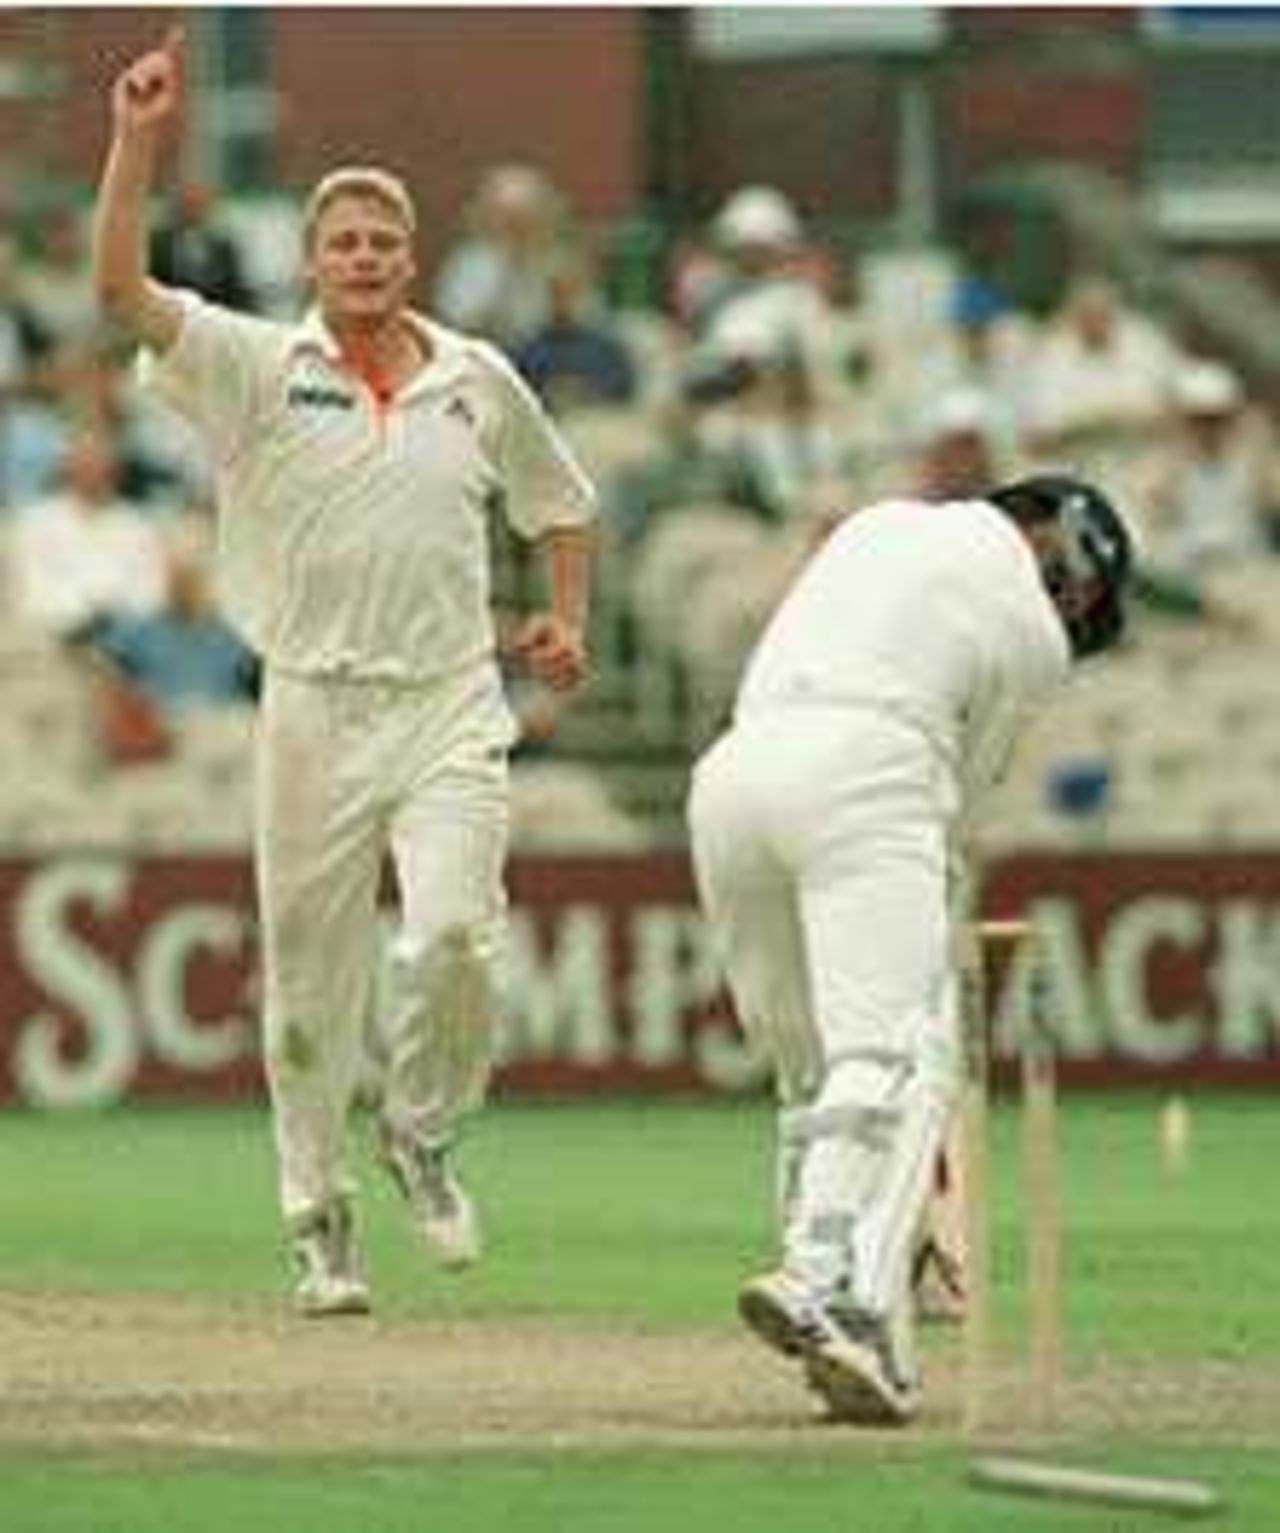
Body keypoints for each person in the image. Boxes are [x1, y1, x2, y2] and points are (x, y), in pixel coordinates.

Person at [92, 30, 597, 1317]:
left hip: (448, 700)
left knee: (454, 941)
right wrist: (137, 140)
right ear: (313, 263)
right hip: (312, 706)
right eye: (343, 243)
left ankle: (420, 1130)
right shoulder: (257, 364)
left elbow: (559, 503)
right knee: (310, 993)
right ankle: (317, 1218)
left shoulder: (475, 378)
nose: (364, 257)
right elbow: (119, 291)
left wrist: (566, 618)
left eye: (382, 241)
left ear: (409, 258)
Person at [687, 474, 1132, 1424]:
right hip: (866, 771)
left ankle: (860, 1315)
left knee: (811, 1071)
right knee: (906, 1049)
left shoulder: (878, 523)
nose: (1074, 617)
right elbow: (959, 803)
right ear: (1068, 563)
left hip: (731, 777)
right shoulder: (1035, 633)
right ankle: (828, 1280)